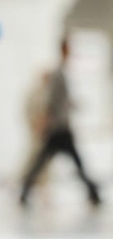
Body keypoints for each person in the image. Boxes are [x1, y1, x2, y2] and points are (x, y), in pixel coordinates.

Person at [20, 39, 100, 207]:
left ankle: (93, 192)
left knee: (45, 161)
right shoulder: (58, 73)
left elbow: (62, 101)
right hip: (58, 128)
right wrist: (45, 120)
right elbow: (51, 101)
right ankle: (93, 193)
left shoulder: (62, 73)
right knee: (45, 162)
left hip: (61, 126)